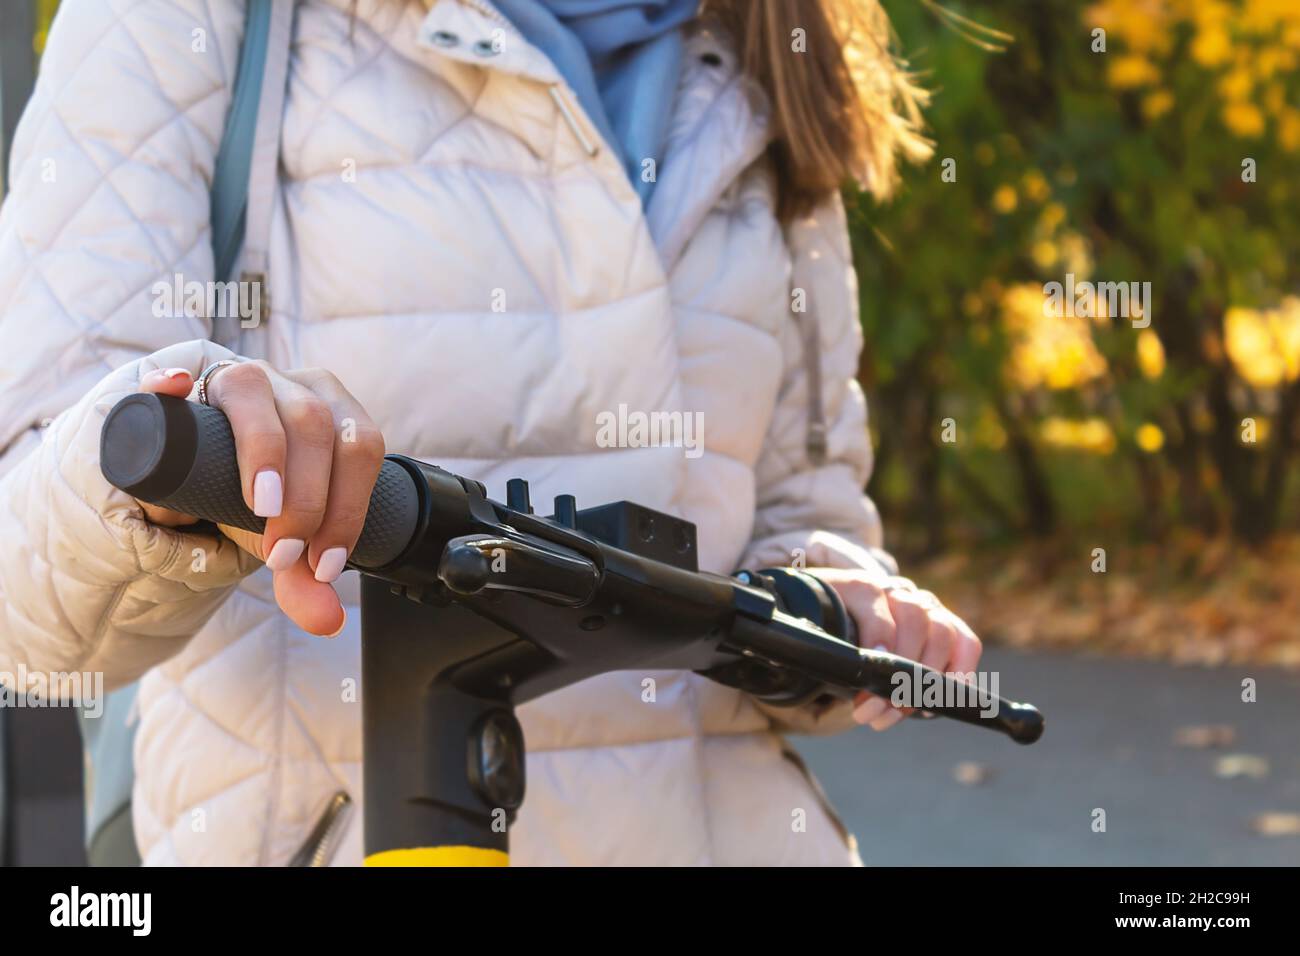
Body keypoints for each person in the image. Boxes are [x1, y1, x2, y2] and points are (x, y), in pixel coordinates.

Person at [0, 0, 981, 866]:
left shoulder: (773, 49)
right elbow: (30, 622)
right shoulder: (193, 18)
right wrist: (166, 469)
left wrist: (836, 599)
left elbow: (796, 516)